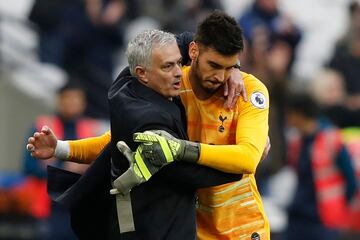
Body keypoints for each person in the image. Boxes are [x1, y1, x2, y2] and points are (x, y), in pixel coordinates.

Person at [28, 11, 270, 239]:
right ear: (194, 52)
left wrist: (181, 149)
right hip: (193, 227)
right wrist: (62, 149)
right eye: (214, 66)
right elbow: (121, 140)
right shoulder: (173, 85)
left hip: (242, 226)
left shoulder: (248, 92)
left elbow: (248, 158)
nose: (221, 77)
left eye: (230, 67)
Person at [23, 82, 108, 239]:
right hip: (48, 208)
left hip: (81, 207)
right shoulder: (42, 128)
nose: (71, 103)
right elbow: (28, 167)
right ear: (59, 100)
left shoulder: (93, 131)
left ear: (83, 103)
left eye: (76, 99)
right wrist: (64, 168)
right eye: (67, 98)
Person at [285, 92, 358, 240]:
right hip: (299, 215)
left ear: (299, 114)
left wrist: (340, 210)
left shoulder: (331, 138)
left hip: (323, 219)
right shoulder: (297, 142)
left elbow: (351, 180)